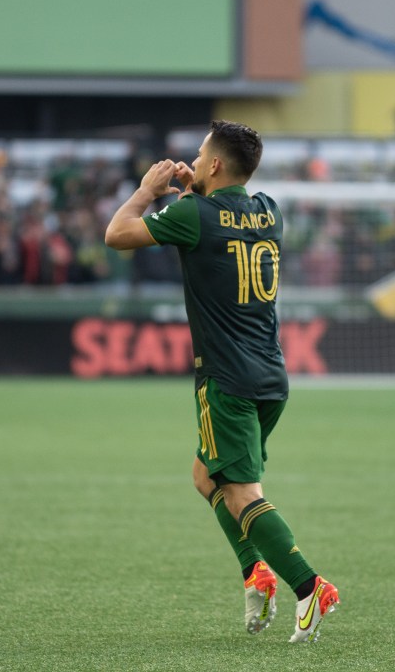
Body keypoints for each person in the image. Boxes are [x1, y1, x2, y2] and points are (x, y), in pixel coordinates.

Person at [104, 120, 339, 644]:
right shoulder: (270, 210)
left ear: (213, 164)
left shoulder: (194, 216)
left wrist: (147, 191)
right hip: (271, 376)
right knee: (205, 475)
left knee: (240, 494)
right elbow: (220, 224)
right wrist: (194, 192)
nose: (192, 160)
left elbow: (116, 234)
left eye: (199, 154)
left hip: (226, 380)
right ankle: (255, 571)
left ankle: (308, 586)